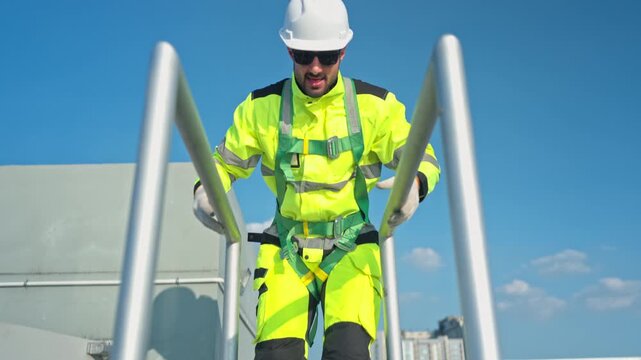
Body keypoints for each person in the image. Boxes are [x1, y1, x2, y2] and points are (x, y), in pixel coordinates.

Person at [193, 0, 440, 358]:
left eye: (326, 56)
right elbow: (224, 162)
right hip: (286, 252)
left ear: (343, 51)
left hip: (351, 249)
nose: (314, 67)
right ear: (288, 49)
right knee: (276, 355)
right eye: (303, 55)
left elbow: (422, 155)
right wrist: (206, 189)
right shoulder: (261, 108)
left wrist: (415, 184)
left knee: (349, 353)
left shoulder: (375, 107)